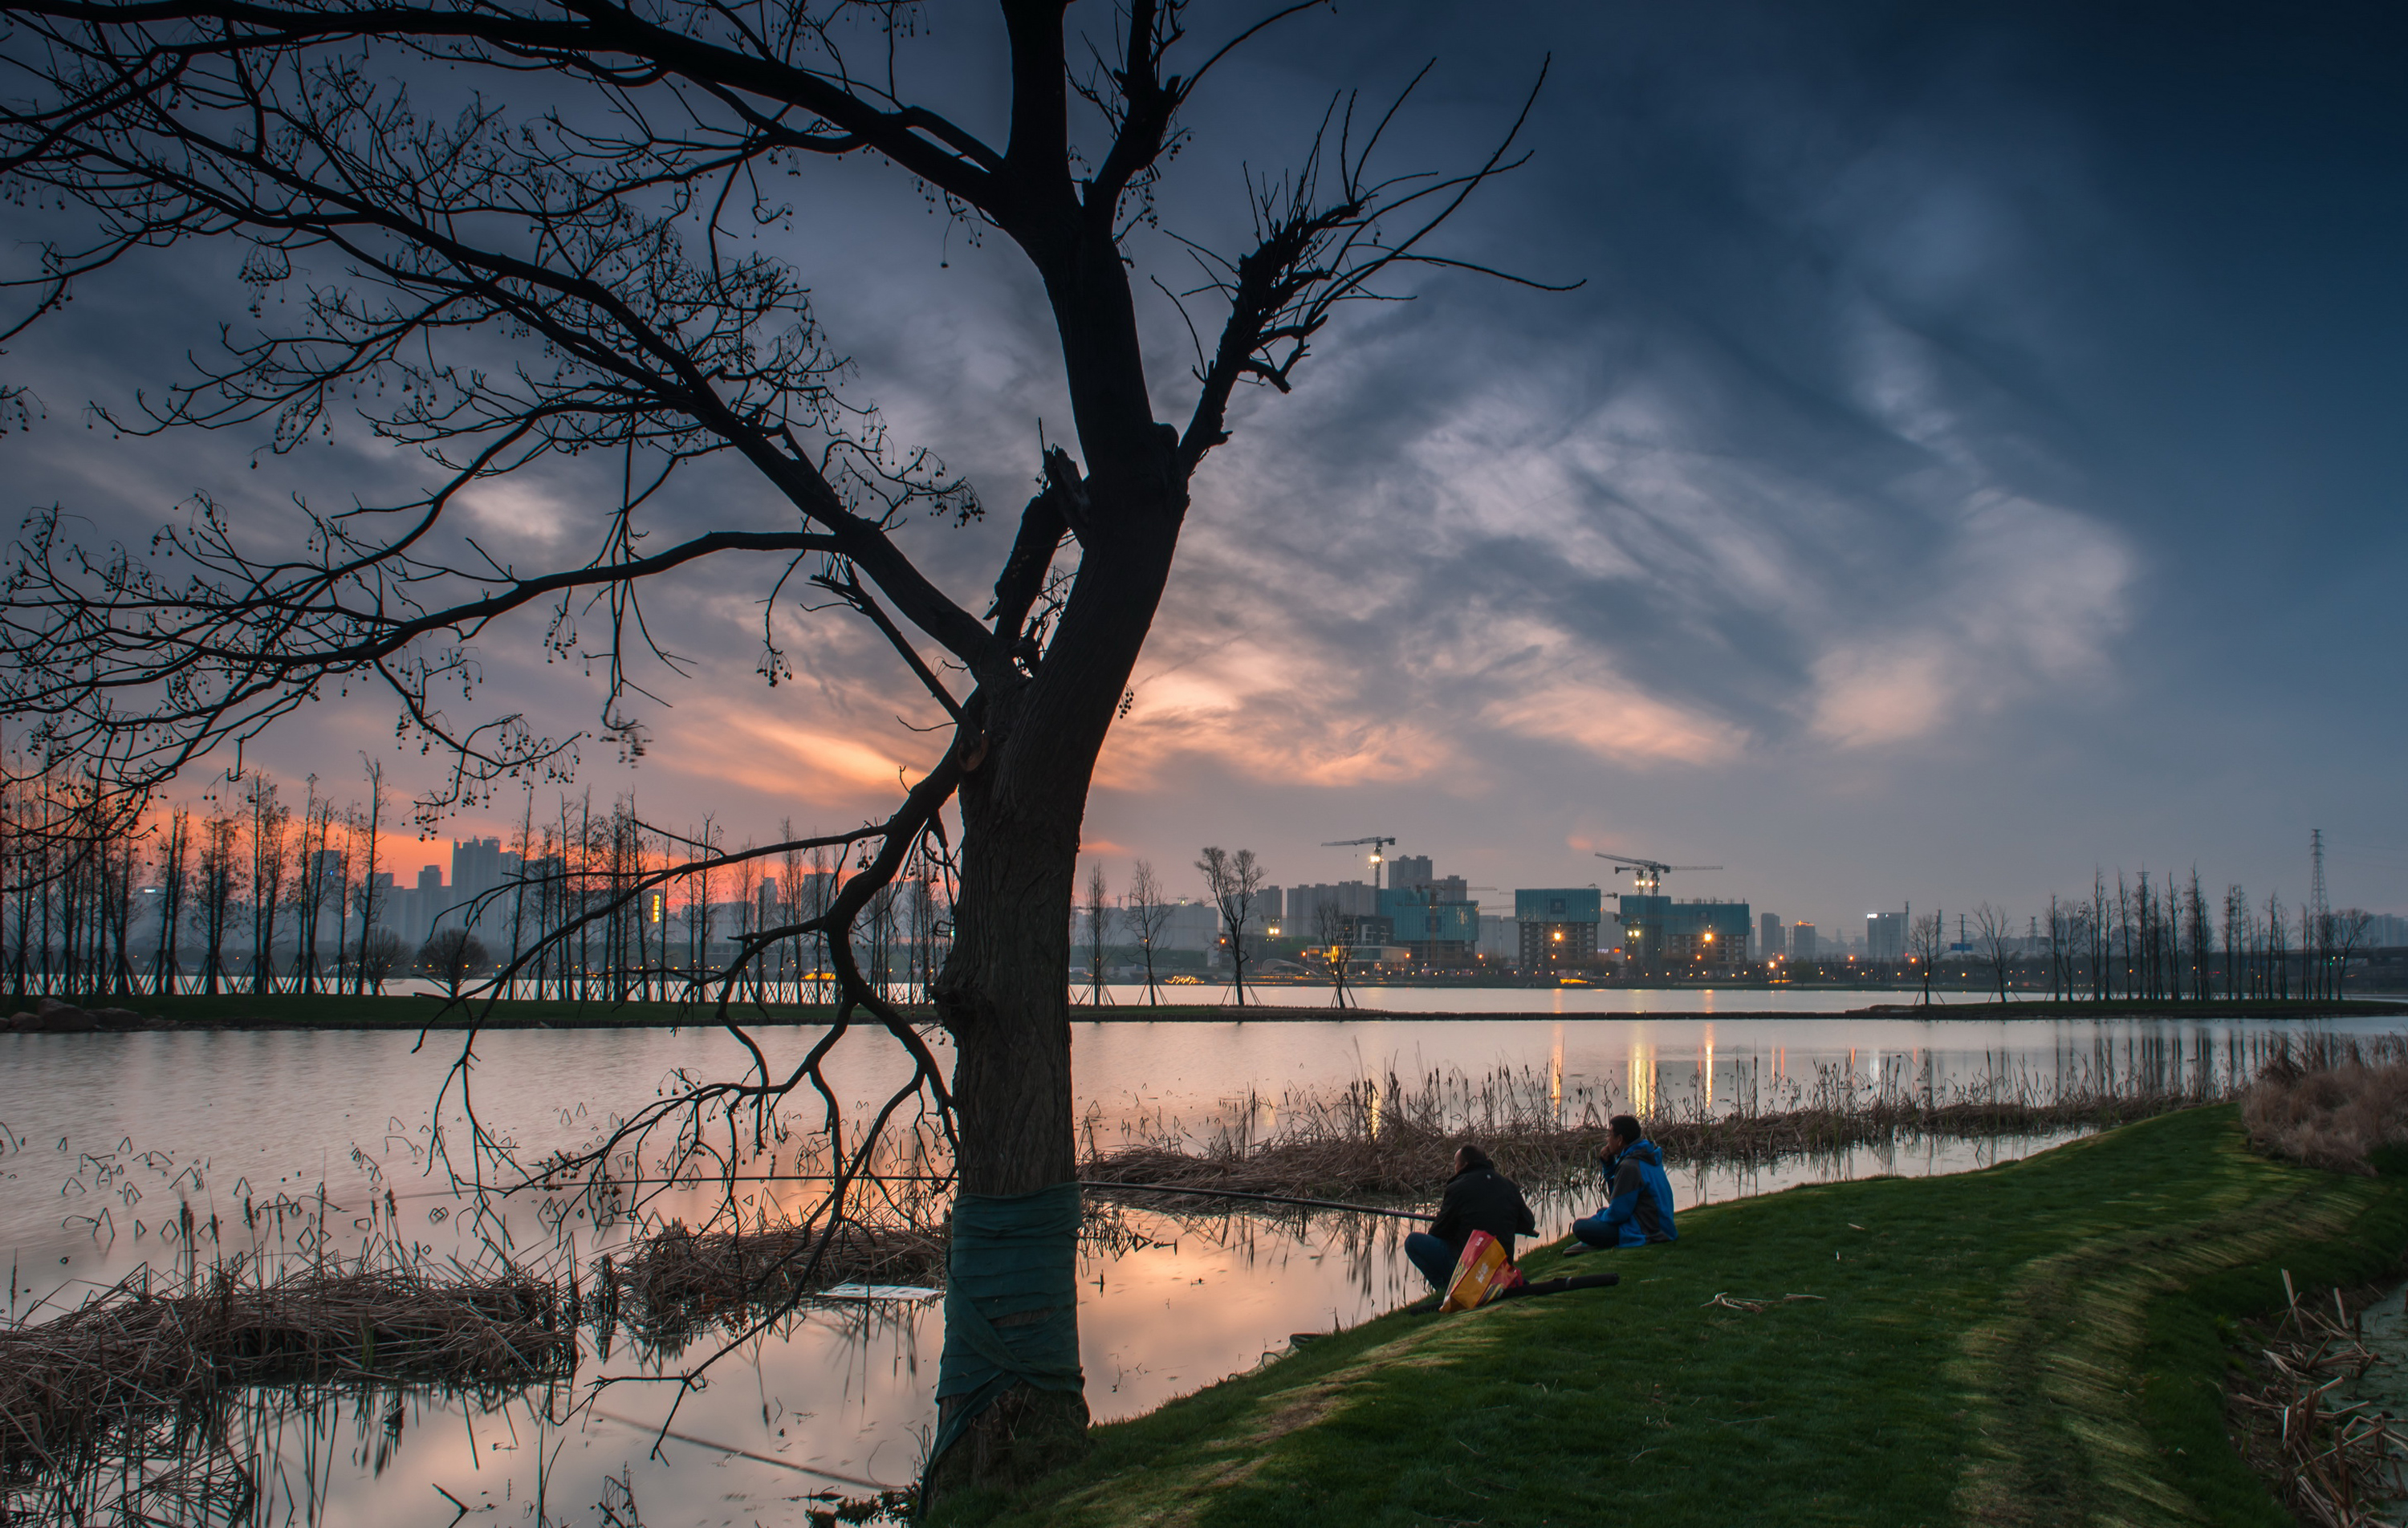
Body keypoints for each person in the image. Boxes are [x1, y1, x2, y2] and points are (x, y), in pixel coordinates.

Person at [1405, 1144, 1538, 1293]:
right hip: (1501, 1267)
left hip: (1471, 1267)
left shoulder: (1457, 1188)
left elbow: (1438, 1232)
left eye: (1455, 1163)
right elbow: (1529, 1223)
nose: (1454, 1168)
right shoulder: (1508, 1185)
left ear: (1464, 1165)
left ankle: (1447, 1290)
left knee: (1413, 1242)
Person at [1568, 1115, 1678, 1251]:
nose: (1607, 1140)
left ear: (1619, 1140)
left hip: (1648, 1232)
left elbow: (1618, 1214)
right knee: (1602, 1212)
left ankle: (1595, 1245)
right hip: (1661, 1227)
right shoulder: (1646, 1156)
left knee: (1580, 1227)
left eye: (1610, 1136)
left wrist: (1599, 1219)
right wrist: (1609, 1166)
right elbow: (1619, 1198)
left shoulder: (1630, 1166)